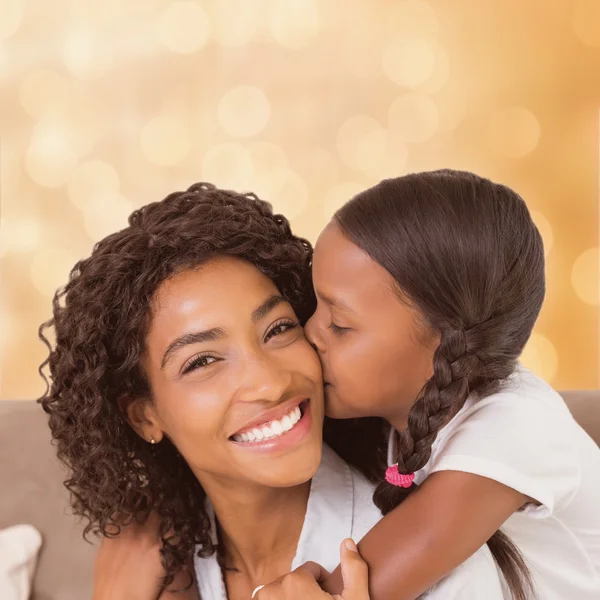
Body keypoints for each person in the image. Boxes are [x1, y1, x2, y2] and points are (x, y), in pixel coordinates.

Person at [38, 183, 505, 600]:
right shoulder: (163, 566)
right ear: (145, 418)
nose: (269, 381)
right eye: (202, 361)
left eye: (278, 328)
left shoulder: (439, 574)